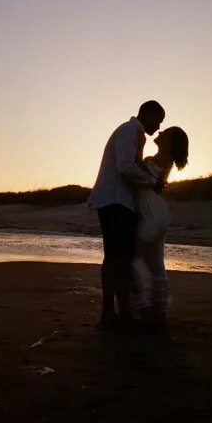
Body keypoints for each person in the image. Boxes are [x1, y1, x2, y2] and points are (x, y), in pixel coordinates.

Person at [88, 101, 166, 328]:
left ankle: (120, 312)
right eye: (158, 120)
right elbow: (125, 167)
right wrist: (152, 181)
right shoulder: (129, 131)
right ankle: (110, 313)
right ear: (148, 114)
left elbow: (129, 166)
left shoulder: (134, 134)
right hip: (114, 200)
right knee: (116, 258)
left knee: (120, 259)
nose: (158, 127)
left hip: (120, 202)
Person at [130, 126, 189, 327]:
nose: (160, 132)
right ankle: (159, 311)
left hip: (152, 216)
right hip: (157, 214)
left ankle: (144, 306)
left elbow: (136, 172)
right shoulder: (163, 159)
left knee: (126, 260)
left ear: (170, 142)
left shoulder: (164, 158)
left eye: (165, 132)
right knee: (156, 265)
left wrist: (139, 146)